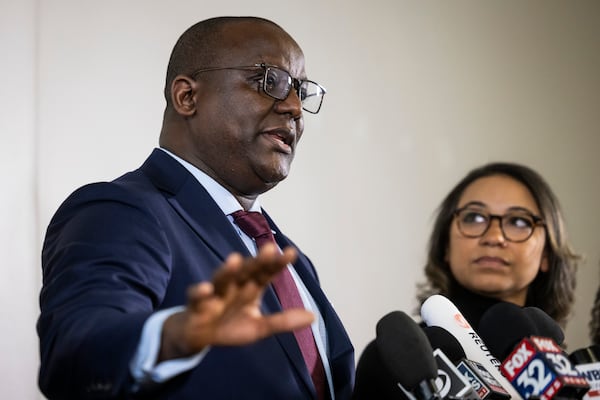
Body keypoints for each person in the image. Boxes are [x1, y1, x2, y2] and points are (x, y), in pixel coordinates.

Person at [37, 16, 354, 400]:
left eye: (300, 92)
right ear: (187, 96)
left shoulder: (292, 261)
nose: (294, 108)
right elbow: (76, 357)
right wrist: (174, 335)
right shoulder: (121, 211)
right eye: (269, 81)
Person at [416, 162, 579, 331]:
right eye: (474, 218)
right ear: (446, 245)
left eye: (518, 221)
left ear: (546, 253)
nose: (494, 238)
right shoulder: (401, 354)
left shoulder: (557, 356)